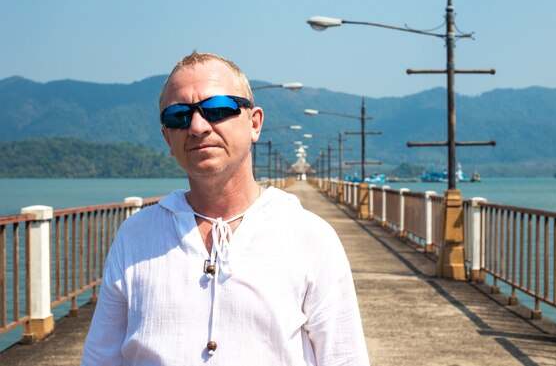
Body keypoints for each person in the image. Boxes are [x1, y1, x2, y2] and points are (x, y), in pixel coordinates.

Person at [81, 51, 370, 366]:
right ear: (166, 136)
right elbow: (101, 358)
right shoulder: (136, 235)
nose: (197, 126)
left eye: (217, 109)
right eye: (178, 115)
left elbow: (345, 357)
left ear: (254, 123)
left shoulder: (310, 237)